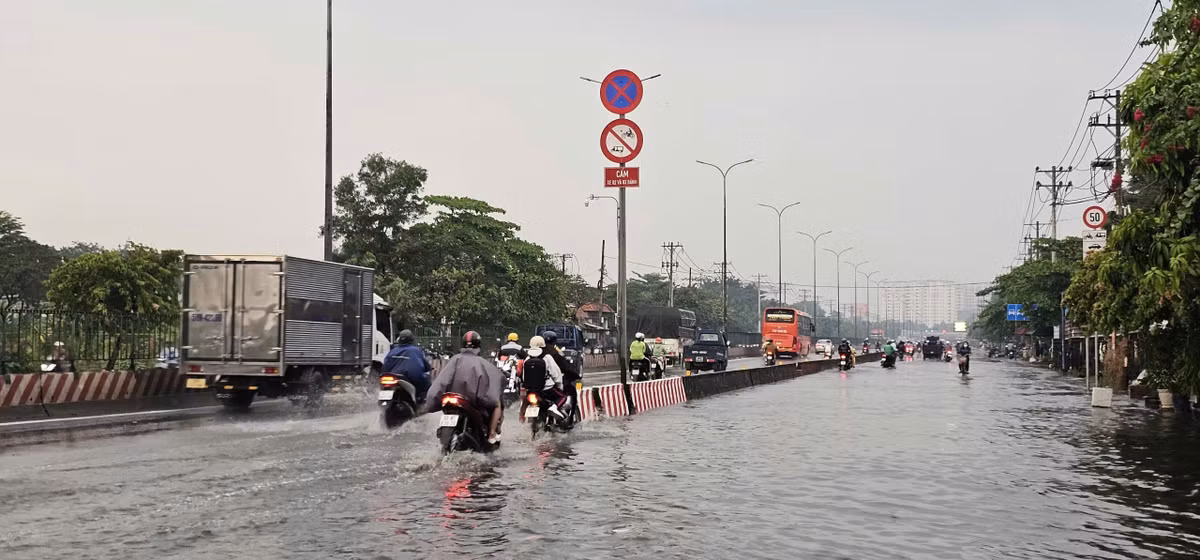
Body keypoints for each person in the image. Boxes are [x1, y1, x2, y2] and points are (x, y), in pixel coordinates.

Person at [423, 331, 505, 444]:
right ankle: (491, 434)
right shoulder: (482, 363)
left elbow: (441, 381)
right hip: (470, 402)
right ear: (479, 345)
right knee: (497, 404)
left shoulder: (454, 360)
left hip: (453, 401)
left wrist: (432, 399)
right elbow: (496, 380)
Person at [522, 335, 570, 421]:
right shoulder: (547, 357)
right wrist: (559, 385)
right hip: (547, 390)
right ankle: (554, 408)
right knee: (563, 397)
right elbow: (556, 374)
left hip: (532, 391)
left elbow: (523, 376)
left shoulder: (527, 359)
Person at [382, 329, 433, 401]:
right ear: (411, 339)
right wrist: (429, 368)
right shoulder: (416, 350)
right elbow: (424, 365)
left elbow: (386, 364)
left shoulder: (393, 350)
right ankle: (420, 400)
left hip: (392, 376)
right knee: (426, 382)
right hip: (409, 378)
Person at [542, 330, 581, 411]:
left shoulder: (536, 353)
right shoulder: (555, 353)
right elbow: (566, 367)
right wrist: (576, 375)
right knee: (568, 393)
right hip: (551, 383)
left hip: (535, 384)